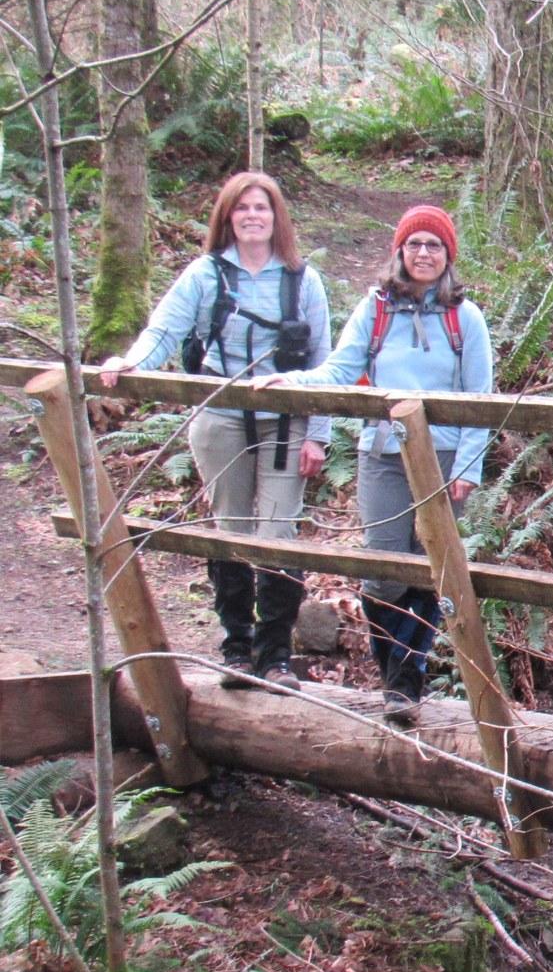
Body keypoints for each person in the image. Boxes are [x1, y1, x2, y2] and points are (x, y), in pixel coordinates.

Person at [254, 205, 492, 724]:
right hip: (382, 452)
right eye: (414, 245)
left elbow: (481, 396)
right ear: (399, 252)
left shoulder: (464, 316)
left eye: (434, 245)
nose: (423, 254)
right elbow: (341, 368)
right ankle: (395, 673)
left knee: (431, 569)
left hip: (444, 457)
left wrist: (469, 466)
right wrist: (292, 381)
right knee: (383, 571)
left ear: (448, 254)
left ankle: (404, 683)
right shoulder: (377, 308)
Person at [101, 171, 333, 691]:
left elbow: (325, 361)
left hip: (286, 422)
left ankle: (274, 657)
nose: (253, 216)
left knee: (279, 536)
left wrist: (318, 432)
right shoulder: (206, 274)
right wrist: (132, 361)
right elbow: (167, 327)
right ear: (227, 217)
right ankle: (235, 650)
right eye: (242, 208)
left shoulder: (303, 279)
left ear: (277, 217)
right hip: (219, 417)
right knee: (230, 532)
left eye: (262, 208)